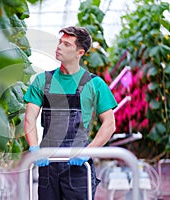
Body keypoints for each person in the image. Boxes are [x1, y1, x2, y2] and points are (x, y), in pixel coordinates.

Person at [23, 26, 118, 200]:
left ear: (79, 52)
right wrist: (35, 148)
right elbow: (30, 118)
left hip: (78, 166)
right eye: (60, 42)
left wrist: (88, 152)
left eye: (66, 44)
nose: (59, 47)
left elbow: (110, 124)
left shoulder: (94, 84)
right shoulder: (42, 81)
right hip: (48, 164)